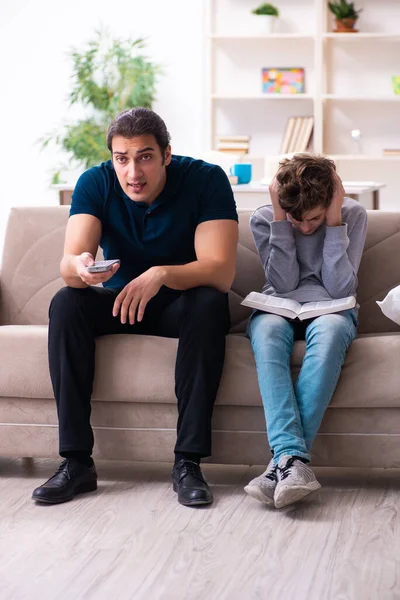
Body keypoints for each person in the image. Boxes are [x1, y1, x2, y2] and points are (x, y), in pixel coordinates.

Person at [32, 108, 238, 507]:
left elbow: (220, 272)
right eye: (122, 159)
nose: (133, 173)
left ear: (166, 155)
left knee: (209, 302)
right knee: (67, 302)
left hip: (182, 303)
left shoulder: (205, 180)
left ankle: (187, 463)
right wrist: (80, 268)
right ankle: (76, 463)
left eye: (145, 156)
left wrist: (161, 273)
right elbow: (70, 264)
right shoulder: (95, 182)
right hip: (121, 304)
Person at [244, 154, 367, 509]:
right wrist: (281, 222)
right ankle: (293, 464)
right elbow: (282, 283)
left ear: (330, 201)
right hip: (278, 306)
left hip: (332, 307)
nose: (304, 227)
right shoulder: (267, 218)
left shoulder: (353, 215)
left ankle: (280, 465)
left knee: (329, 334)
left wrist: (333, 223)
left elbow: (341, 287)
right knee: (266, 333)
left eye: (313, 218)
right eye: (296, 218)